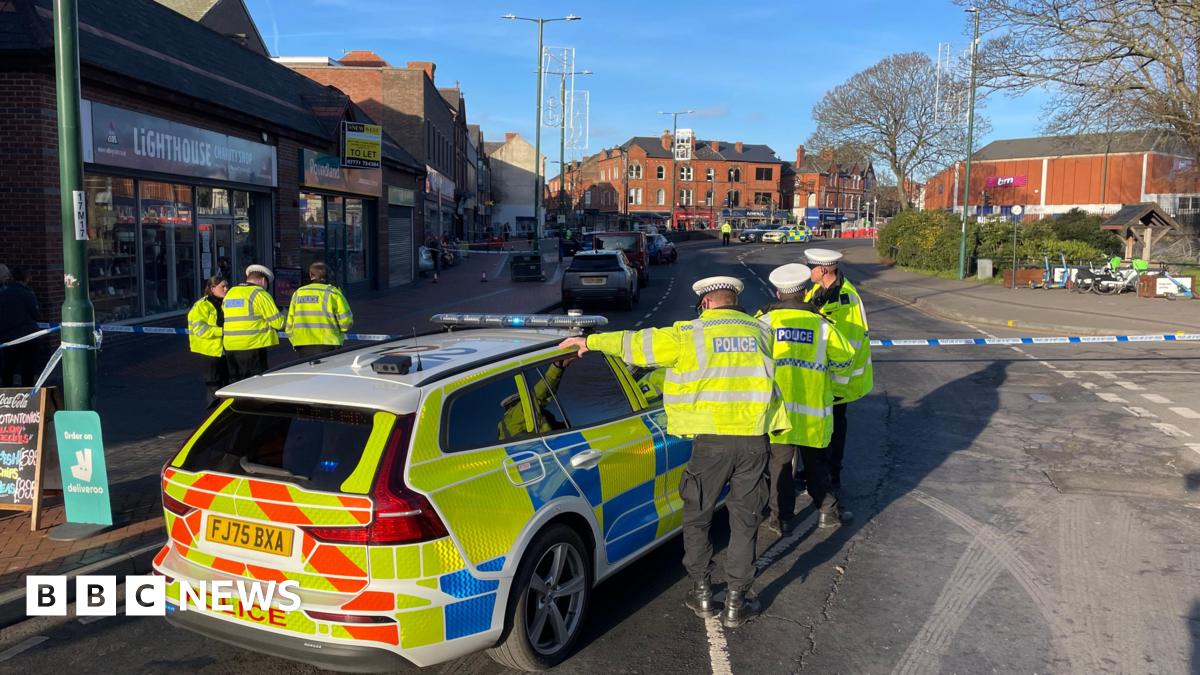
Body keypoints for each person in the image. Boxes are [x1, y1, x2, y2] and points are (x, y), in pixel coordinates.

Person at [558, 276, 788, 629]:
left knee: (698, 516)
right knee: (745, 520)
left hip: (711, 443)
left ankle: (701, 591)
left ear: (707, 304)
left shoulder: (688, 335)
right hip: (754, 440)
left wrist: (590, 340)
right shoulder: (761, 333)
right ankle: (737, 601)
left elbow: (635, 343)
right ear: (733, 301)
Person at [757, 264, 855, 533]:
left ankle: (780, 518)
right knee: (817, 464)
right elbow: (845, 360)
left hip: (778, 411)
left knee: (780, 465)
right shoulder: (823, 326)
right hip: (814, 411)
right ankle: (827, 512)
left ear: (778, 294)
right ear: (804, 293)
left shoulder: (763, 324)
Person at [802, 248, 873, 497]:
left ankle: (831, 477)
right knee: (819, 429)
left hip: (837, 382)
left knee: (833, 433)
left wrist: (832, 380)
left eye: (809, 266)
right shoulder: (817, 290)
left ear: (822, 270)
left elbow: (846, 347)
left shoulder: (845, 300)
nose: (807, 269)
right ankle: (816, 473)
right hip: (822, 379)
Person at [222, 264, 284, 381]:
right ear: (262, 280)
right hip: (252, 346)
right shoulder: (259, 293)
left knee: (236, 383)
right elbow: (278, 323)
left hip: (230, 346)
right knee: (255, 384)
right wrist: (286, 317)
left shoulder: (230, 293)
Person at [286, 261, 354, 359]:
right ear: (327, 275)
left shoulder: (298, 293)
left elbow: (290, 324)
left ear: (310, 275)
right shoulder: (333, 293)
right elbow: (346, 322)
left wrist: (294, 339)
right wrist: (340, 331)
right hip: (328, 343)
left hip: (303, 343)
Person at [187, 276, 229, 405]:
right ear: (212, 288)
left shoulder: (228, 303)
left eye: (227, 286)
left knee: (229, 385)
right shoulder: (201, 305)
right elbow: (200, 330)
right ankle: (213, 416)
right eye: (223, 286)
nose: (226, 289)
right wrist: (221, 331)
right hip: (210, 351)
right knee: (213, 386)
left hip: (227, 350)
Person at [0, 266, 41, 387]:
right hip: (28, 336)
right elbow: (36, 314)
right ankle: (27, 395)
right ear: (27, 278)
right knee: (28, 368)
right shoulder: (27, 293)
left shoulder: (2, 292)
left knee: (8, 367)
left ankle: (6, 394)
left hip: (7, 337)